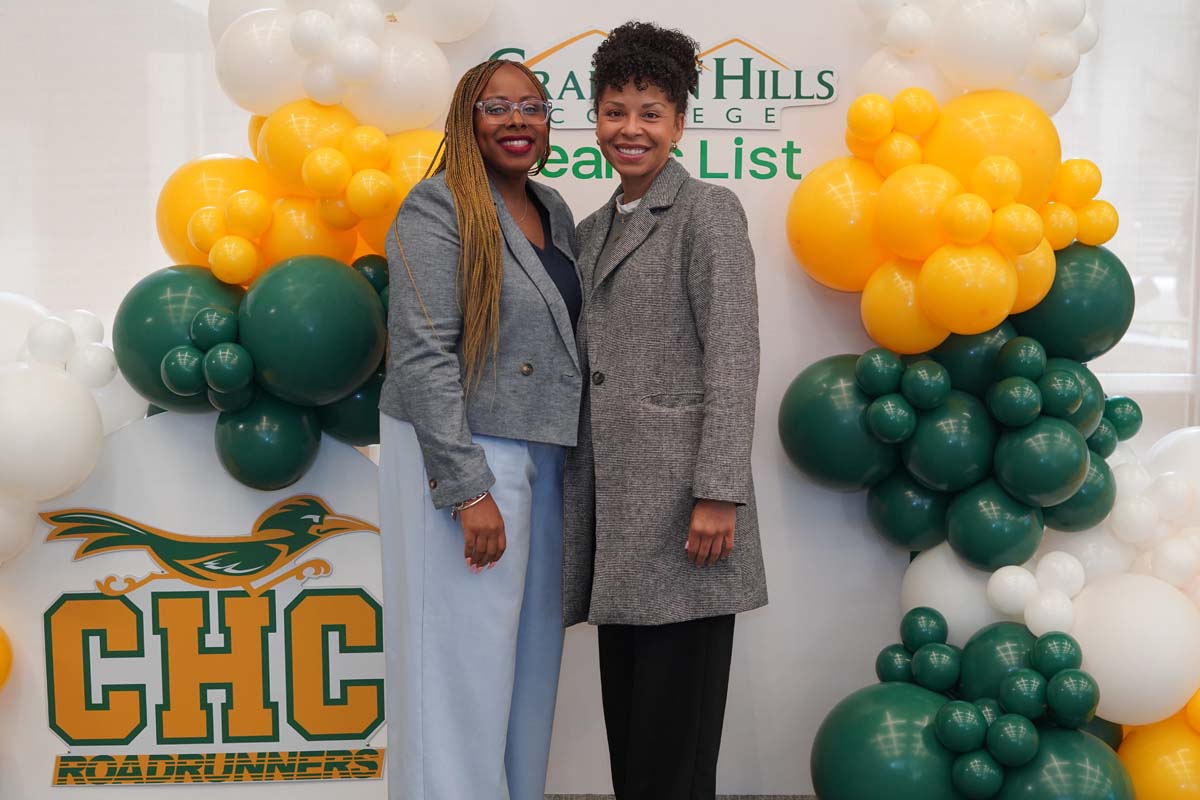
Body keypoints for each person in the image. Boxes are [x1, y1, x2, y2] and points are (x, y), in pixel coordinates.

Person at [562, 22, 768, 800]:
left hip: (686, 511)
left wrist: (719, 490)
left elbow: (735, 353)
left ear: (679, 123)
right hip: (617, 513)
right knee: (636, 735)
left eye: (650, 112)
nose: (631, 129)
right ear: (597, 123)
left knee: (675, 743)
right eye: (616, 111)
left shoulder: (706, 212)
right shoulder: (588, 232)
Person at [379, 59, 582, 800]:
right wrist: (469, 491)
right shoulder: (435, 208)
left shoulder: (553, 207)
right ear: (467, 118)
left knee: (527, 665)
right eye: (497, 107)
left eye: (532, 106)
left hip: (543, 453)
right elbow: (423, 350)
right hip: (463, 454)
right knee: (458, 669)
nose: (518, 121)